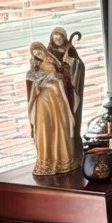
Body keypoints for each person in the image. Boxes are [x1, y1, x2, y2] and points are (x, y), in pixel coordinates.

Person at [26, 42, 80, 175]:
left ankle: (64, 158)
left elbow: (63, 76)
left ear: (44, 50)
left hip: (58, 98)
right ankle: (47, 160)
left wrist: (58, 78)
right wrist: (49, 81)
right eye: (36, 54)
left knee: (61, 125)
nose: (39, 55)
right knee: (45, 127)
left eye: (39, 51)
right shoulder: (35, 66)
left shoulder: (55, 61)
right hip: (44, 99)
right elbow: (31, 78)